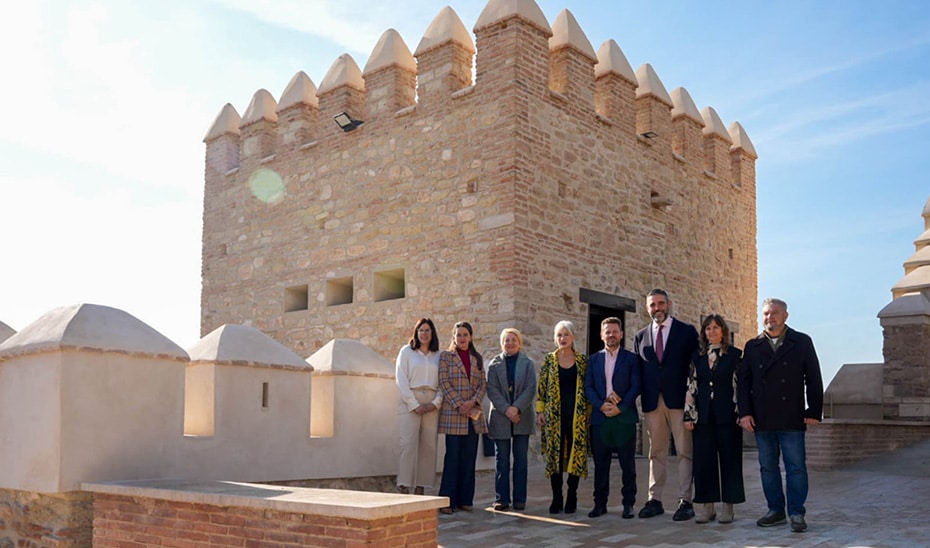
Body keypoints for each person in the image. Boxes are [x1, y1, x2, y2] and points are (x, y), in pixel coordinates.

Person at [737, 298, 823, 533]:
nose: (769, 317)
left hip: (791, 415)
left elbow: (813, 377)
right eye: (766, 313)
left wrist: (814, 410)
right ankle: (775, 510)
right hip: (762, 417)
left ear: (786, 316)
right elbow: (743, 382)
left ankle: (796, 512)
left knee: (795, 467)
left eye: (775, 313)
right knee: (768, 467)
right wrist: (744, 413)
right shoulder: (752, 346)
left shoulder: (801, 342)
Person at [633, 288, 699, 521]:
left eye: (660, 303)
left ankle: (685, 501)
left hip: (680, 401)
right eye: (652, 305)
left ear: (668, 305)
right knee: (656, 452)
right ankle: (654, 500)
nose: (656, 308)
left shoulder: (686, 331)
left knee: (684, 452)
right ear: (647, 307)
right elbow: (639, 372)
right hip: (653, 402)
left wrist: (693, 402)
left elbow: (695, 367)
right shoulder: (641, 336)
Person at [684, 314, 745, 524]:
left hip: (728, 416)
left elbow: (740, 386)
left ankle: (728, 506)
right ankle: (707, 507)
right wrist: (689, 414)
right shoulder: (697, 356)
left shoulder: (736, 355)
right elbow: (691, 384)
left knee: (730, 461)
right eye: (708, 328)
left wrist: (741, 412)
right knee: (703, 462)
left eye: (715, 328)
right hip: (703, 417)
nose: (712, 331)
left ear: (723, 331)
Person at [585, 317, 641, 519]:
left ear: (621, 334)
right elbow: (588, 387)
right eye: (607, 332)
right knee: (601, 464)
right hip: (601, 418)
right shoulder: (593, 360)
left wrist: (622, 407)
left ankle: (629, 504)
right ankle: (599, 504)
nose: (611, 335)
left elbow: (636, 386)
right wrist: (600, 405)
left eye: (615, 331)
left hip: (623, 419)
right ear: (601, 335)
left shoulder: (631, 358)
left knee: (628, 464)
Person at [536, 321, 590, 514]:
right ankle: (557, 497)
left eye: (566, 334)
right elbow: (541, 388)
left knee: (575, 455)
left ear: (573, 337)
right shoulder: (549, 361)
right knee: (555, 456)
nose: (563, 338)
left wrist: (589, 411)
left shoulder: (583, 361)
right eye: (559, 335)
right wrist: (540, 411)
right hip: (554, 417)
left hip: (577, 416)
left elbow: (588, 388)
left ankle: (572, 495)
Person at [437, 321, 488, 514]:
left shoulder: (477, 358)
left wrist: (472, 402)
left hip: (472, 415)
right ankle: (447, 501)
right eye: (458, 335)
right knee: (452, 458)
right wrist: (460, 403)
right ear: (454, 337)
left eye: (465, 334)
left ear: (471, 336)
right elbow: (444, 382)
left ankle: (465, 500)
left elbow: (482, 384)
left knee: (468, 459)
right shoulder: (446, 357)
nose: (462, 338)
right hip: (454, 414)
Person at [486, 328, 537, 511]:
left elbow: (531, 388)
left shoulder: (528, 363)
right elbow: (492, 389)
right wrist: (507, 409)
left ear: (519, 342)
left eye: (513, 340)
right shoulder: (494, 364)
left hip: (521, 417)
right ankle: (502, 498)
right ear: (502, 343)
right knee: (502, 460)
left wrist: (516, 408)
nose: (510, 343)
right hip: (501, 417)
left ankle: (519, 499)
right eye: (506, 340)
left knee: (521, 460)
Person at [395, 318, 442, 495]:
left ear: (433, 333)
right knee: (407, 443)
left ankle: (421, 485)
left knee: (428, 444)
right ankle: (404, 483)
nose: (424, 333)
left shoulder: (439, 355)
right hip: (410, 399)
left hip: (432, 401)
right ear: (416, 332)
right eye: (421, 330)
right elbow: (401, 379)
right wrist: (413, 404)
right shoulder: (406, 352)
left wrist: (436, 403)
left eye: (427, 330)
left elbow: (444, 382)